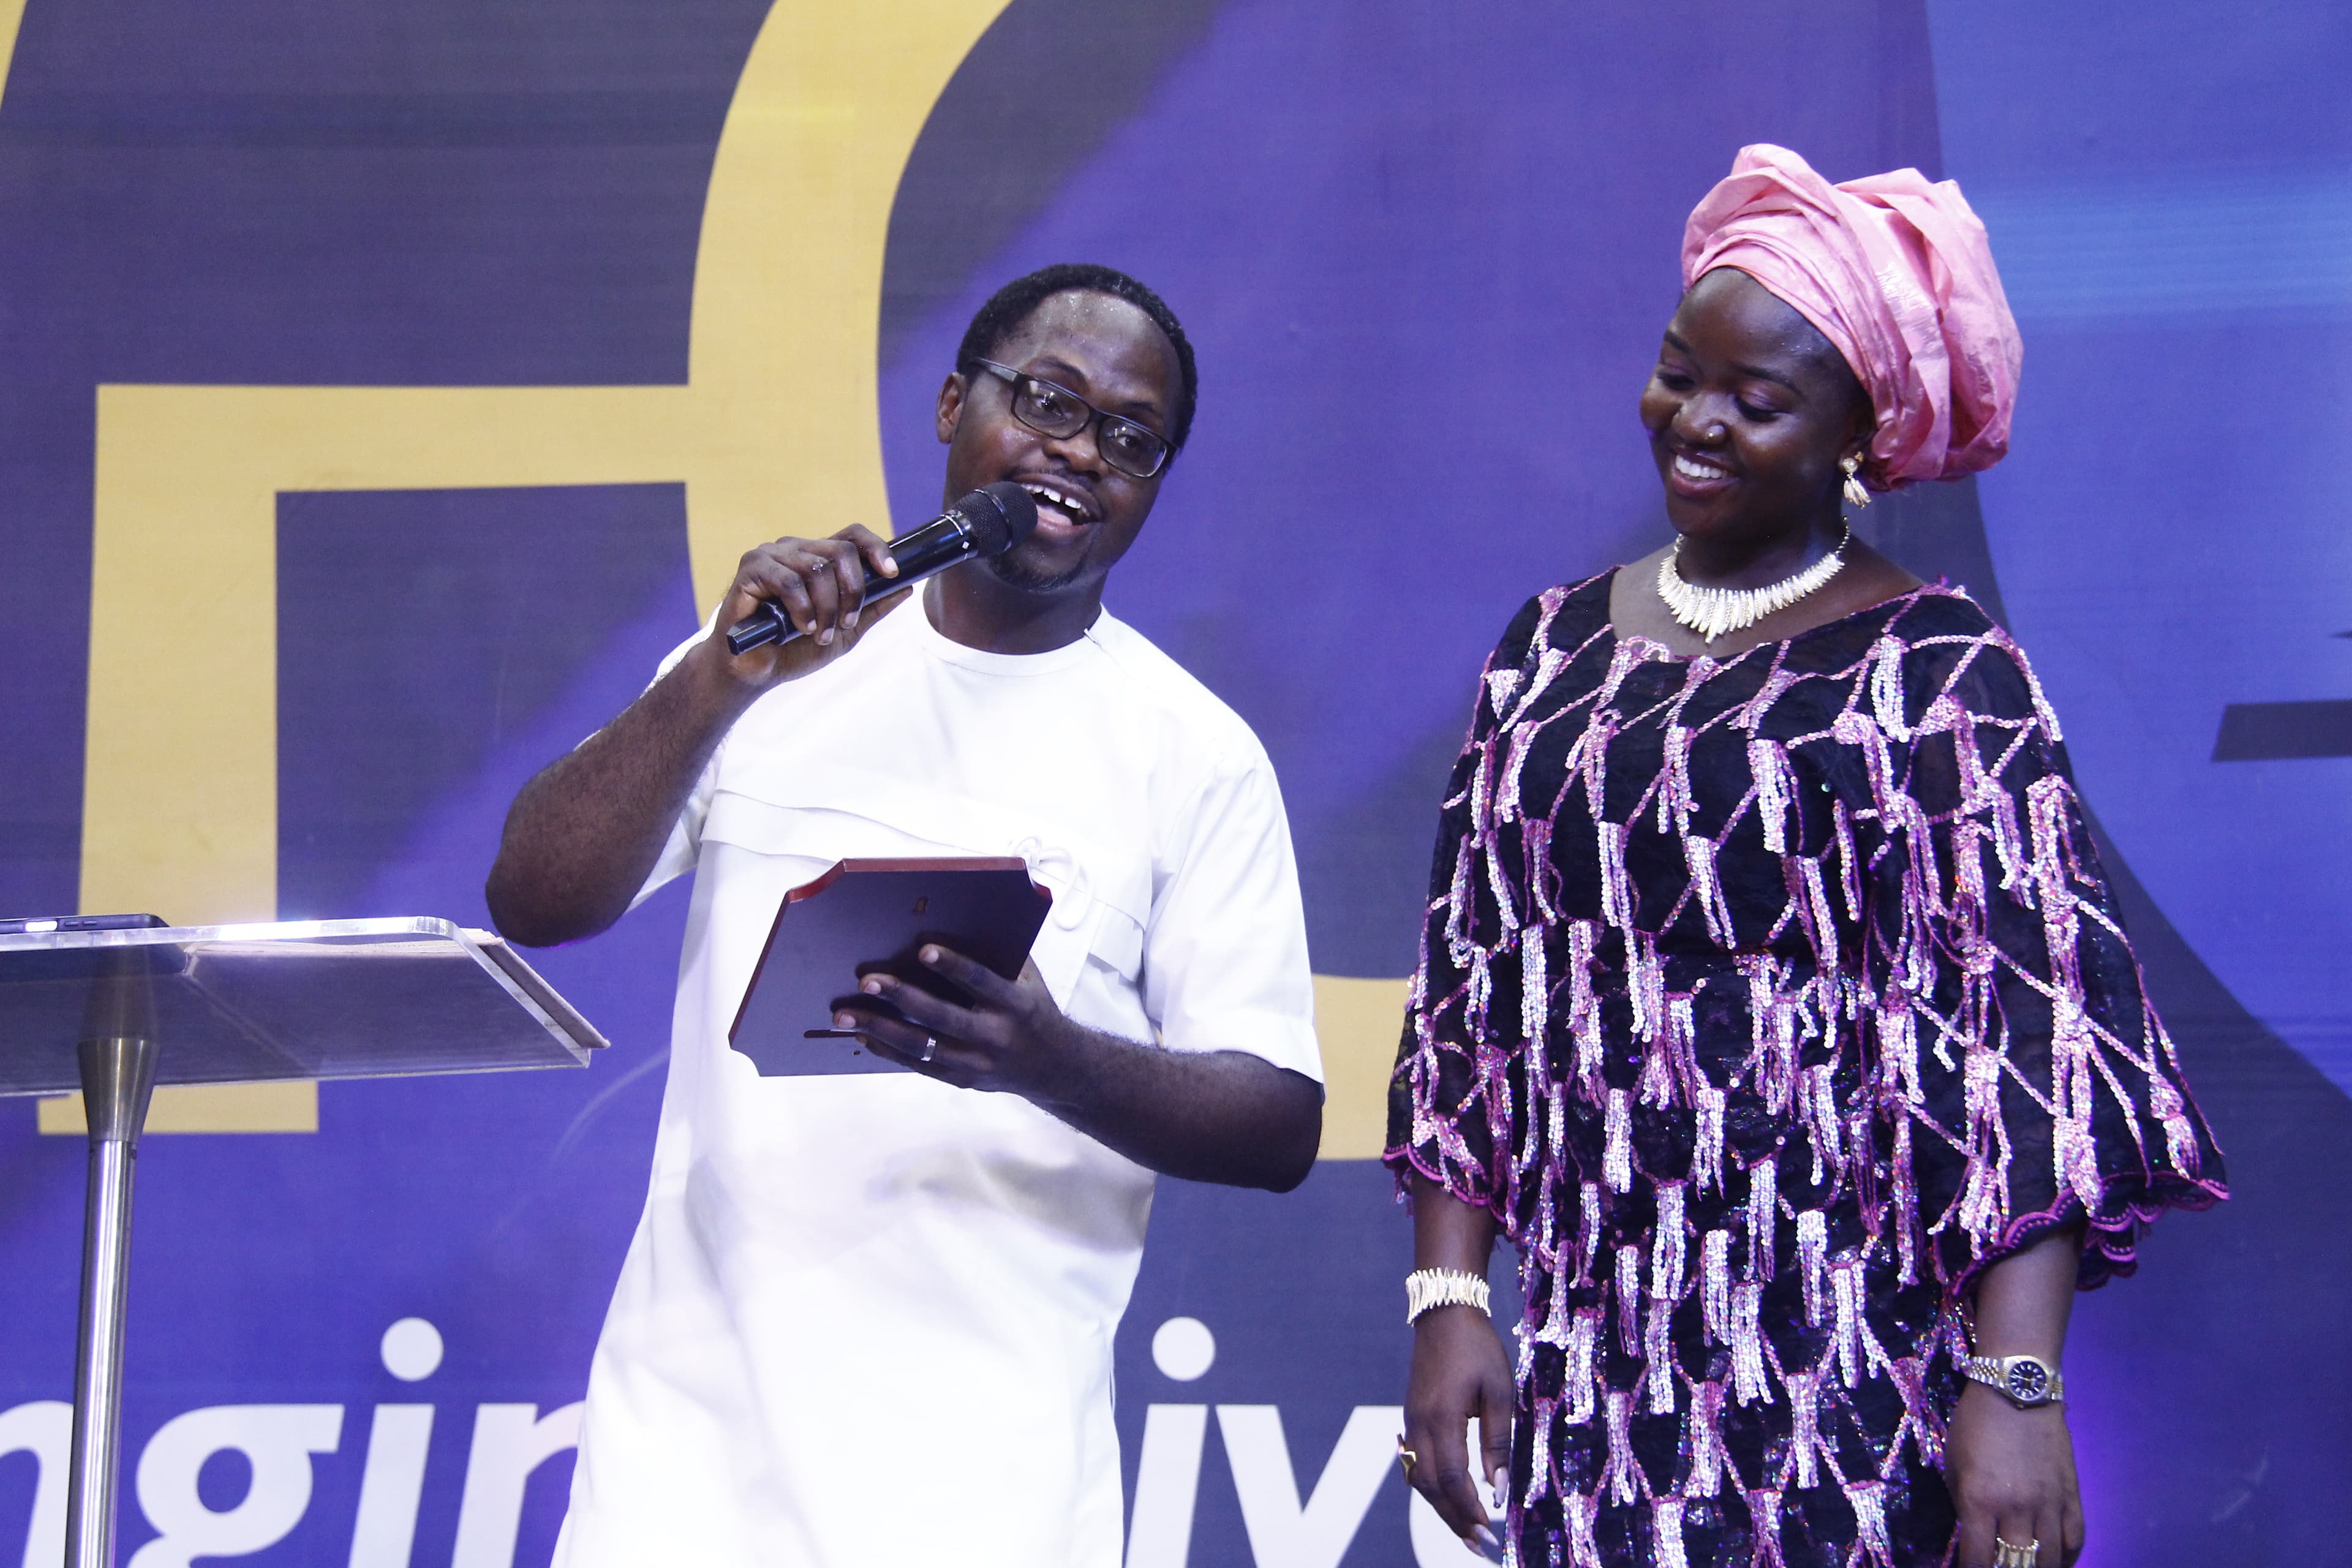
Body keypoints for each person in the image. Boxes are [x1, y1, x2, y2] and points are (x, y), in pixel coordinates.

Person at [1387, 146, 2223, 1568]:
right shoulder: (1549, 648)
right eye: (1677, 373)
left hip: (1848, 1377)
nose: (1695, 420)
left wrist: (2017, 1382)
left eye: (1756, 401)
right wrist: (1450, 1295)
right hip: (1596, 1380)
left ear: (1857, 430)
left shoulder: (1940, 673)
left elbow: (2028, 1044)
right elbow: (1474, 989)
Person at [484, 262, 1324, 1568]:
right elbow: (533, 897)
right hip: (685, 1478)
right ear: (950, 405)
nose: (1079, 454)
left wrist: (1048, 1058)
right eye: (1048, 401)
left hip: (991, 1497)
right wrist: (716, 680)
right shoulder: (771, 664)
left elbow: (1278, 1122)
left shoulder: (1194, 755)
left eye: (1130, 438)